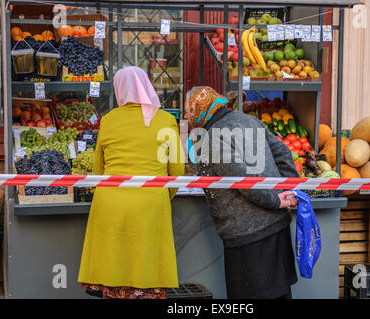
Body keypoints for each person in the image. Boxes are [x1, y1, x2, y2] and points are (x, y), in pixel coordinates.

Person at [78, 66, 185, 299]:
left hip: (110, 201)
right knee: (146, 266)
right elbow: (177, 170)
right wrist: (162, 196)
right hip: (150, 201)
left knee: (115, 266)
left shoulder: (108, 120)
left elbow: (98, 170)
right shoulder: (166, 120)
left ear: (119, 89)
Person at [185, 86, 299, 299]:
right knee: (280, 294)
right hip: (277, 228)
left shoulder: (211, 139)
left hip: (249, 237)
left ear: (197, 113)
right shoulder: (249, 121)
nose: (187, 117)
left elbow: (242, 181)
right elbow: (283, 152)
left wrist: (275, 200)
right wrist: (289, 191)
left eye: (189, 112)